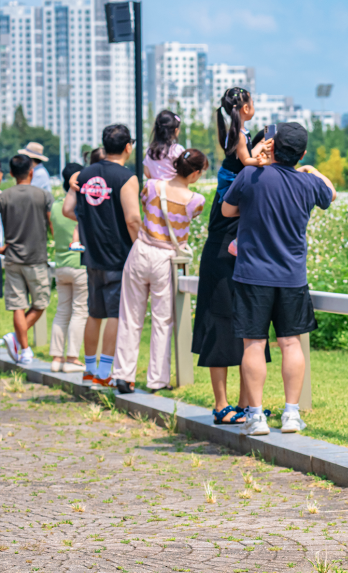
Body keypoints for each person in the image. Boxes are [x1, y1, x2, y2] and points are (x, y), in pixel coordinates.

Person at [222, 121, 335, 437]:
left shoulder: (251, 176)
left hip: (252, 274)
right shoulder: (308, 183)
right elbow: (332, 194)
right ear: (302, 152)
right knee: (290, 343)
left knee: (254, 344)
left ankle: (255, 416)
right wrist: (312, 170)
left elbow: (228, 211)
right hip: (292, 277)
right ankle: (291, 414)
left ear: (271, 146)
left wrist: (257, 156)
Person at [191, 86, 266, 423]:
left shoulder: (235, 134)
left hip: (235, 250)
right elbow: (249, 163)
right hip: (224, 249)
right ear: (246, 107)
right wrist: (261, 150)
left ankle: (241, 404)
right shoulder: (241, 139)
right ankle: (223, 405)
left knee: (245, 331)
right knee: (220, 328)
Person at [113, 149, 209, 394]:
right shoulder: (195, 200)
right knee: (162, 320)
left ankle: (124, 375)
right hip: (165, 258)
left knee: (130, 316)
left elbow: (143, 205)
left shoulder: (153, 186)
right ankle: (157, 379)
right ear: (196, 173)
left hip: (141, 249)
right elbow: (191, 218)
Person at [63, 123, 142, 386]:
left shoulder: (85, 174)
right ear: (128, 147)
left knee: (94, 313)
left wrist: (90, 220)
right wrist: (140, 247)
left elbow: (69, 210)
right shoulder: (126, 177)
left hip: (92, 256)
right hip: (118, 256)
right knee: (116, 315)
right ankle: (106, 372)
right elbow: (133, 219)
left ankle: (88, 370)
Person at [0, 151, 54, 366]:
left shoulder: (4, 196)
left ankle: (24, 349)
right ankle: (16, 339)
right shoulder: (43, 195)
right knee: (40, 303)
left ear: (12, 173)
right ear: (31, 172)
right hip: (36, 256)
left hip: (12, 258)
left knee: (18, 306)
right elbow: (50, 224)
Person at [49, 160, 88, 372]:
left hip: (61, 264)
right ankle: (72, 358)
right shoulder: (81, 206)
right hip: (80, 266)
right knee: (79, 311)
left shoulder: (56, 206)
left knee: (62, 311)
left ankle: (56, 358)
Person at [144, 109, 185, 181]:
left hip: (155, 190)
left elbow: (147, 173)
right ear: (175, 131)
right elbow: (184, 172)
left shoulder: (150, 151)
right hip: (173, 189)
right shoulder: (177, 149)